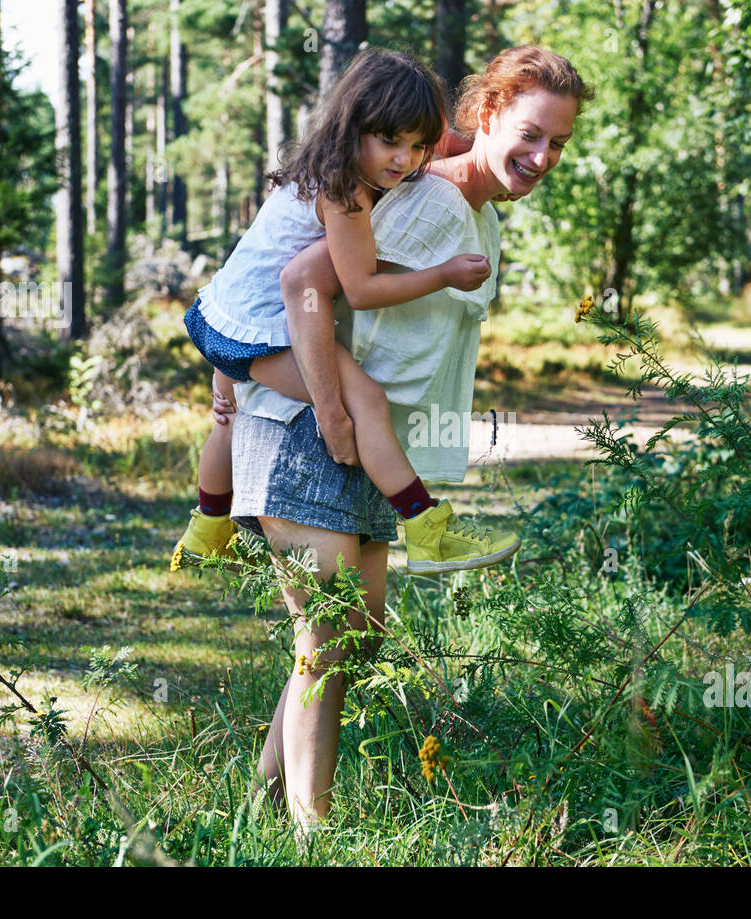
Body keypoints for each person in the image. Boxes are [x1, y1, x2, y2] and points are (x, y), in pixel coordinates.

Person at [218, 46, 594, 831]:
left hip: (369, 446)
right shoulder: (424, 200)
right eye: (529, 133)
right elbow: (300, 285)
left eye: (557, 142)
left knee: (356, 635)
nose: (542, 156)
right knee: (325, 633)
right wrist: (324, 405)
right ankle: (311, 830)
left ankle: (253, 805)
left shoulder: (470, 208)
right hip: (307, 431)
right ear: (485, 117)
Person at [173, 48, 519, 576]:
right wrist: (442, 274)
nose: (403, 161)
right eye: (390, 142)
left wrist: (482, 142)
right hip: (263, 330)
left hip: (222, 314)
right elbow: (359, 289)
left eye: (417, 147)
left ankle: (208, 526)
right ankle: (426, 527)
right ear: (354, 125)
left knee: (226, 419)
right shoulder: (348, 194)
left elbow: (430, 139)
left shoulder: (324, 166)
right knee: (367, 401)